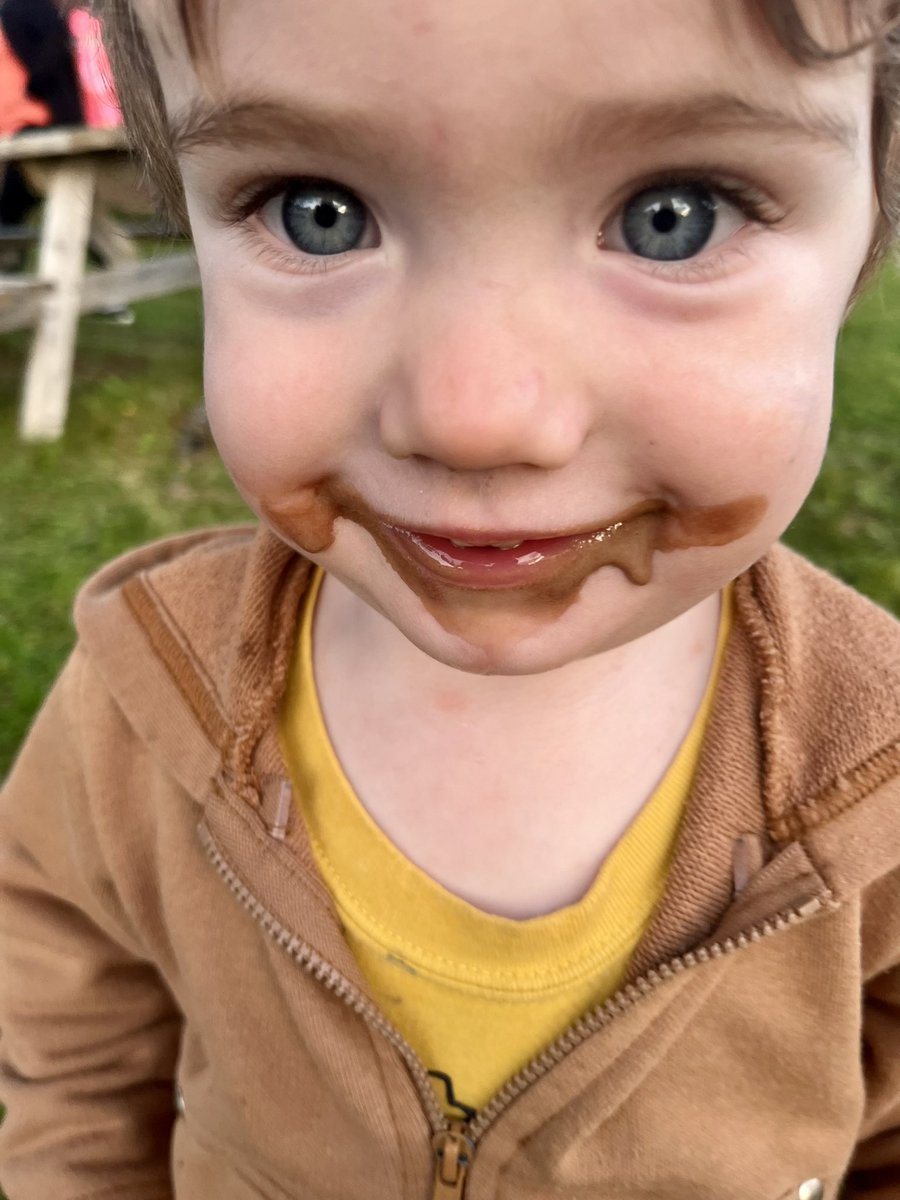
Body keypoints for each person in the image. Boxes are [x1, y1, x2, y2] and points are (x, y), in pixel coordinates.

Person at [1, 1, 899, 1196]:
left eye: (675, 215)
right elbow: (66, 1049)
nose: (473, 417)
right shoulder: (142, 699)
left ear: (873, 222)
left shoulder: (877, 782)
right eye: (317, 210)